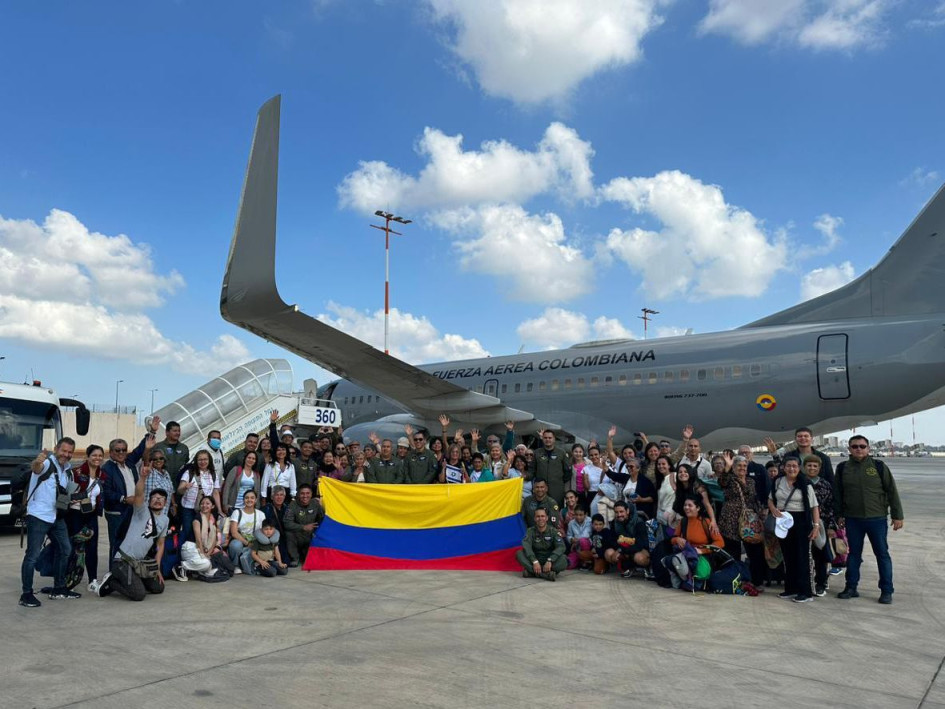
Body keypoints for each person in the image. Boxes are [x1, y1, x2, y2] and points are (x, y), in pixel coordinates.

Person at [835, 435, 904, 604]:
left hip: (877, 519)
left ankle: (886, 590)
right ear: (849, 449)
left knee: (882, 554)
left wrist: (897, 515)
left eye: (862, 446)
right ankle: (851, 587)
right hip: (853, 519)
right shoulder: (843, 468)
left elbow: (891, 491)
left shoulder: (879, 466)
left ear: (868, 448)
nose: (859, 449)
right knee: (853, 555)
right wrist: (839, 515)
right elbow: (838, 493)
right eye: (855, 446)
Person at [94, 465, 168, 601]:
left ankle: (133, 579)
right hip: (123, 561)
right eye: (154, 497)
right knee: (139, 595)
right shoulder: (142, 511)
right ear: (149, 501)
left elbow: (161, 544)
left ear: (165, 502)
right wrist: (143, 477)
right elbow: (139, 493)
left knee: (158, 587)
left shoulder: (165, 519)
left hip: (139, 563)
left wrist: (157, 569)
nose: (158, 500)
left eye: (161, 498)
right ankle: (112, 581)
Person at [19, 439, 79, 607]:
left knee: (65, 549)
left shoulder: (66, 470)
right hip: (38, 516)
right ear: (56, 449)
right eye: (63, 451)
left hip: (56, 517)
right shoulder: (47, 463)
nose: (66, 455)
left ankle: (59, 588)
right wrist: (37, 462)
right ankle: (26, 594)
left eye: (69, 452)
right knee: (32, 556)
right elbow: (37, 468)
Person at [768, 458, 820, 603]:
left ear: (799, 468)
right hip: (783, 521)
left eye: (795, 466)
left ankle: (805, 591)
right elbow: (771, 499)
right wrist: (773, 509)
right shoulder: (778, 482)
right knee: (788, 556)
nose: (792, 469)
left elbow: (814, 506)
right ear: (783, 467)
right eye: (789, 466)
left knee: (802, 557)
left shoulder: (805, 484)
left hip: (801, 521)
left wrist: (816, 526)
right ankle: (791, 588)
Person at [102, 428, 155, 562]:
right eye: (117, 450)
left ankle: (126, 573)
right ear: (111, 452)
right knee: (117, 543)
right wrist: (124, 499)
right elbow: (106, 492)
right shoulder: (106, 469)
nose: (121, 453)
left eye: (124, 450)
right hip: (117, 513)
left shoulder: (129, 463)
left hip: (133, 510)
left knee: (131, 542)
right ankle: (113, 575)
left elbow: (140, 449)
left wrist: (152, 432)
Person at [717, 454, 766, 587]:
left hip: (749, 521)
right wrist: (726, 468)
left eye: (745, 466)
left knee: (755, 551)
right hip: (731, 520)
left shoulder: (751, 481)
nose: (742, 468)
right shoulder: (729, 479)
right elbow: (722, 481)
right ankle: (734, 580)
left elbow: (754, 499)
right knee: (733, 552)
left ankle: (756, 581)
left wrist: (761, 514)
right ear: (733, 467)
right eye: (739, 465)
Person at [66, 443, 104, 594]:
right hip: (75, 515)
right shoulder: (76, 473)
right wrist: (74, 499)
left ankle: (92, 581)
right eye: (94, 455)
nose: (97, 458)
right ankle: (71, 580)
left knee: (92, 548)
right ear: (87, 457)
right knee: (75, 548)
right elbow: (66, 493)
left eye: (100, 456)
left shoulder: (102, 475)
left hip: (92, 514)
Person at [802, 454, 837, 597]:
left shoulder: (825, 485)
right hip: (803, 523)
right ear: (804, 467)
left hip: (820, 524)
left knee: (820, 555)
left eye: (815, 466)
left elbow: (830, 507)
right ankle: (805, 582)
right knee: (804, 555)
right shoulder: (800, 482)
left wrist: (830, 526)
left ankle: (821, 582)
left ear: (819, 468)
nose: (812, 468)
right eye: (809, 465)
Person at [177, 450, 223, 543]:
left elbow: (215, 493)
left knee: (203, 533)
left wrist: (219, 510)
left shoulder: (213, 474)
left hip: (204, 509)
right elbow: (179, 490)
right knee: (189, 533)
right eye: (200, 460)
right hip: (188, 509)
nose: (203, 462)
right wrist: (185, 487)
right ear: (196, 461)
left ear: (209, 460)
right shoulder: (189, 473)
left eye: (205, 459)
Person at [766, 427, 835, 485]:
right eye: (799, 436)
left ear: (811, 439)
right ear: (795, 439)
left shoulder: (823, 458)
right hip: (797, 494)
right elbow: (782, 472)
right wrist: (775, 454)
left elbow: (830, 479)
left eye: (806, 436)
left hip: (819, 495)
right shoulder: (789, 456)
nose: (803, 438)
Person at [516, 507, 567, 581]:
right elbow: (526, 546)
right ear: (534, 518)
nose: (540, 518)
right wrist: (534, 561)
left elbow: (561, 547)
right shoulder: (530, 531)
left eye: (542, 516)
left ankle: (532, 572)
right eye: (538, 516)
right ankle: (546, 574)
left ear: (546, 518)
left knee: (564, 560)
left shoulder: (553, 531)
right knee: (519, 554)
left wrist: (550, 560)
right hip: (535, 559)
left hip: (549, 560)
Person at [192, 495, 234, 578]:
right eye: (202, 503)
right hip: (197, 549)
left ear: (213, 506)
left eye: (207, 503)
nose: (204, 506)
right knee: (211, 564)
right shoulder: (197, 518)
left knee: (230, 569)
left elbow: (214, 539)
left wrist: (209, 552)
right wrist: (204, 554)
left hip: (210, 550)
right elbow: (198, 539)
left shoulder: (213, 519)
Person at [604, 454, 657, 520]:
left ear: (638, 468)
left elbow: (653, 498)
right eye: (627, 467)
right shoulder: (626, 477)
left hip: (639, 515)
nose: (628, 468)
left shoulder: (645, 482)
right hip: (626, 516)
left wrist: (641, 499)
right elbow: (613, 475)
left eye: (631, 467)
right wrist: (604, 466)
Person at [227, 489, 265, 574]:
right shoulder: (237, 512)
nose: (249, 500)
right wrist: (247, 543)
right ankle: (235, 565)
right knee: (235, 545)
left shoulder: (261, 514)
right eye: (247, 498)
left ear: (255, 500)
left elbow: (263, 532)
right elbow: (234, 532)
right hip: (241, 541)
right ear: (243, 500)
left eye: (252, 498)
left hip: (255, 542)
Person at [284, 484, 323, 566]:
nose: (305, 496)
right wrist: (303, 527)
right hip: (298, 536)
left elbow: (322, 518)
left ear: (311, 494)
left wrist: (316, 530)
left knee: (309, 561)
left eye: (307, 493)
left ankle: (308, 556)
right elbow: (287, 523)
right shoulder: (292, 505)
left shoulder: (315, 504)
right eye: (302, 493)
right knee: (288, 533)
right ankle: (295, 558)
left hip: (311, 536)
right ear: (298, 494)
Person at [672, 464, 718, 532]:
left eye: (685, 471)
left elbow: (707, 505)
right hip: (688, 515)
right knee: (670, 529)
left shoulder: (698, 486)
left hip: (701, 517)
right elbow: (678, 503)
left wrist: (713, 521)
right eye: (680, 472)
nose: (683, 474)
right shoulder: (680, 486)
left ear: (690, 473)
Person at [533, 430, 572, 507]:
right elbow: (532, 470)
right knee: (541, 511)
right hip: (541, 490)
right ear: (542, 439)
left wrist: (559, 481)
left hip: (557, 489)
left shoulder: (561, 453)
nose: (547, 440)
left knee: (556, 509)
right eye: (545, 438)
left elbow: (568, 471)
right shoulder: (537, 453)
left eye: (550, 438)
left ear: (554, 439)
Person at [612, 501, 650, 577]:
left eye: (621, 511)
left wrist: (624, 551)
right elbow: (613, 540)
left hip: (640, 549)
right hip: (625, 548)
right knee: (612, 556)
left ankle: (647, 568)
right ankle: (629, 568)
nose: (619, 515)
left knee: (640, 558)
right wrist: (619, 550)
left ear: (627, 511)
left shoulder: (639, 522)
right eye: (616, 512)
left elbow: (641, 544)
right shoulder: (615, 523)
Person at [221, 450, 261, 515]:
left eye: (253, 459)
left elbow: (257, 492)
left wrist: (257, 508)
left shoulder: (256, 475)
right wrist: (225, 504)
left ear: (255, 461)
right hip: (233, 506)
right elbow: (227, 487)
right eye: (249, 458)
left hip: (248, 507)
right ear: (245, 458)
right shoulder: (236, 469)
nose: (251, 460)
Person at [154, 418, 190, 485]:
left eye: (179, 431)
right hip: (162, 484)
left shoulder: (184, 448)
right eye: (175, 431)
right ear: (167, 432)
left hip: (179, 484)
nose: (177, 433)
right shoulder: (158, 447)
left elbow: (186, 464)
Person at [263, 485, 291, 565]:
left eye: (281, 495)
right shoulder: (267, 509)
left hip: (285, 536)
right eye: (276, 495)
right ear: (272, 497)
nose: (279, 497)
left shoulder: (287, 508)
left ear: (284, 496)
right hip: (273, 536)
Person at [565, 506, 592, 570]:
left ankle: (586, 561)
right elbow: (568, 535)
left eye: (580, 515)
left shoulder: (589, 521)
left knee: (583, 541)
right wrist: (571, 539)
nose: (578, 517)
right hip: (577, 549)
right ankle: (579, 561)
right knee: (568, 565)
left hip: (588, 548)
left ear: (585, 515)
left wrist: (576, 542)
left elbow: (586, 535)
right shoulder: (571, 523)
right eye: (576, 515)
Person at [654, 455, 678, 527]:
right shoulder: (660, 480)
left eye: (663, 464)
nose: (661, 466)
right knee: (665, 536)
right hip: (661, 518)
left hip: (673, 517)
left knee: (673, 536)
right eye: (659, 464)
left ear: (669, 466)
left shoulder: (675, 476)